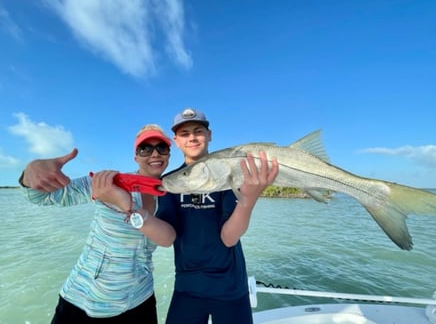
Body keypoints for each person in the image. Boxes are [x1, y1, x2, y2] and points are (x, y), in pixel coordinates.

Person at [19, 124, 176, 324]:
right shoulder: (109, 182)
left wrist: (127, 207)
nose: (155, 154)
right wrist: (29, 174)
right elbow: (40, 197)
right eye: (145, 149)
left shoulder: (169, 194)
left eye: (162, 147)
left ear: (169, 155)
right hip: (85, 299)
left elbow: (168, 238)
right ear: (136, 156)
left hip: (139, 299)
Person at [156, 108, 279, 324]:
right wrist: (133, 214)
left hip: (230, 288)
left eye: (198, 131)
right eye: (184, 134)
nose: (192, 137)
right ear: (175, 141)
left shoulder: (228, 173)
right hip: (187, 289)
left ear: (209, 135)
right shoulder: (170, 182)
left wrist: (247, 201)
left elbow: (229, 238)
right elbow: (167, 238)